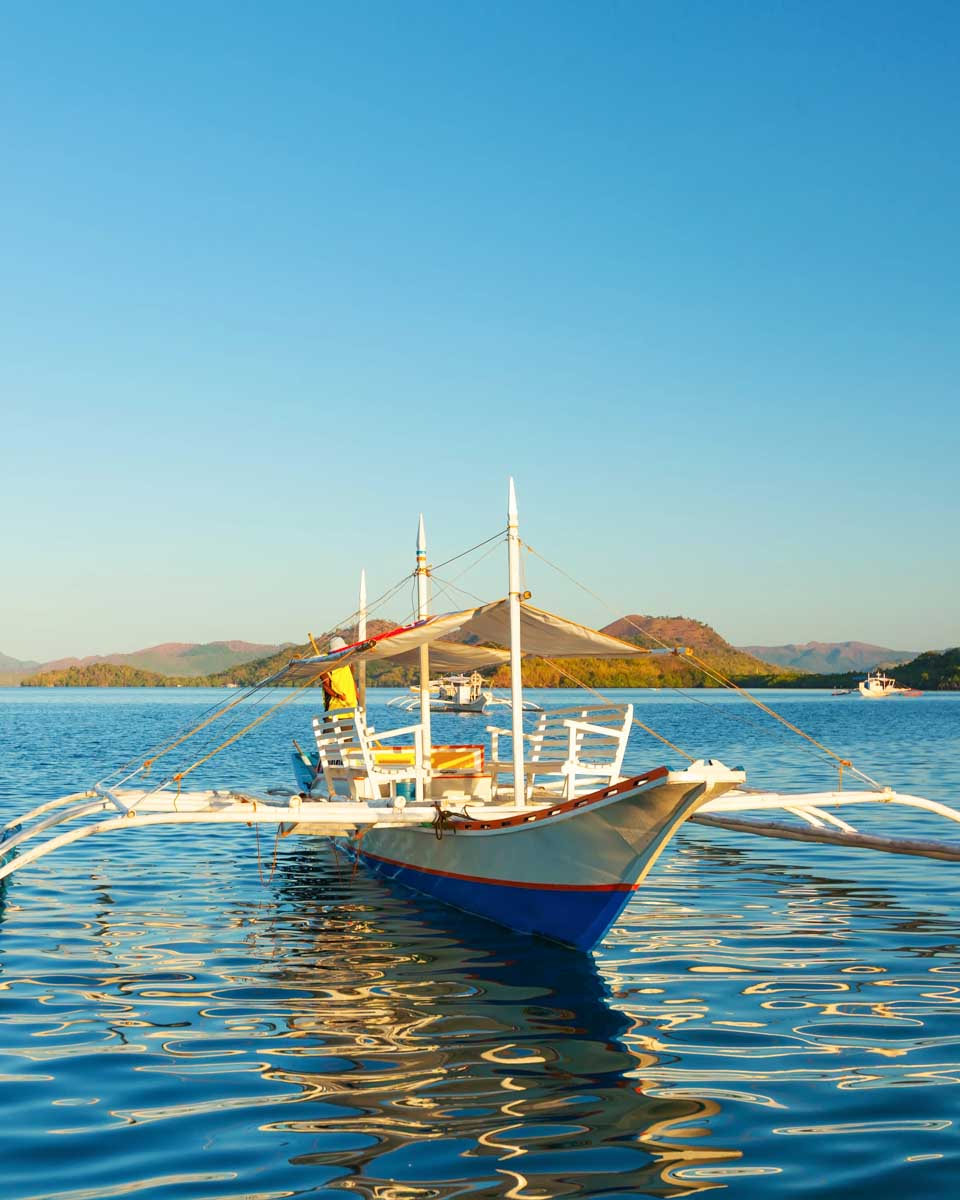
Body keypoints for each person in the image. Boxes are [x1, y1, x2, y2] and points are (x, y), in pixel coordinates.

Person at [322, 635, 359, 711]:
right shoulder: (326, 665)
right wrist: (337, 695)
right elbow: (326, 686)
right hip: (334, 708)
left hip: (350, 706)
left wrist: (358, 698)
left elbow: (352, 682)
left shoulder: (349, 663)